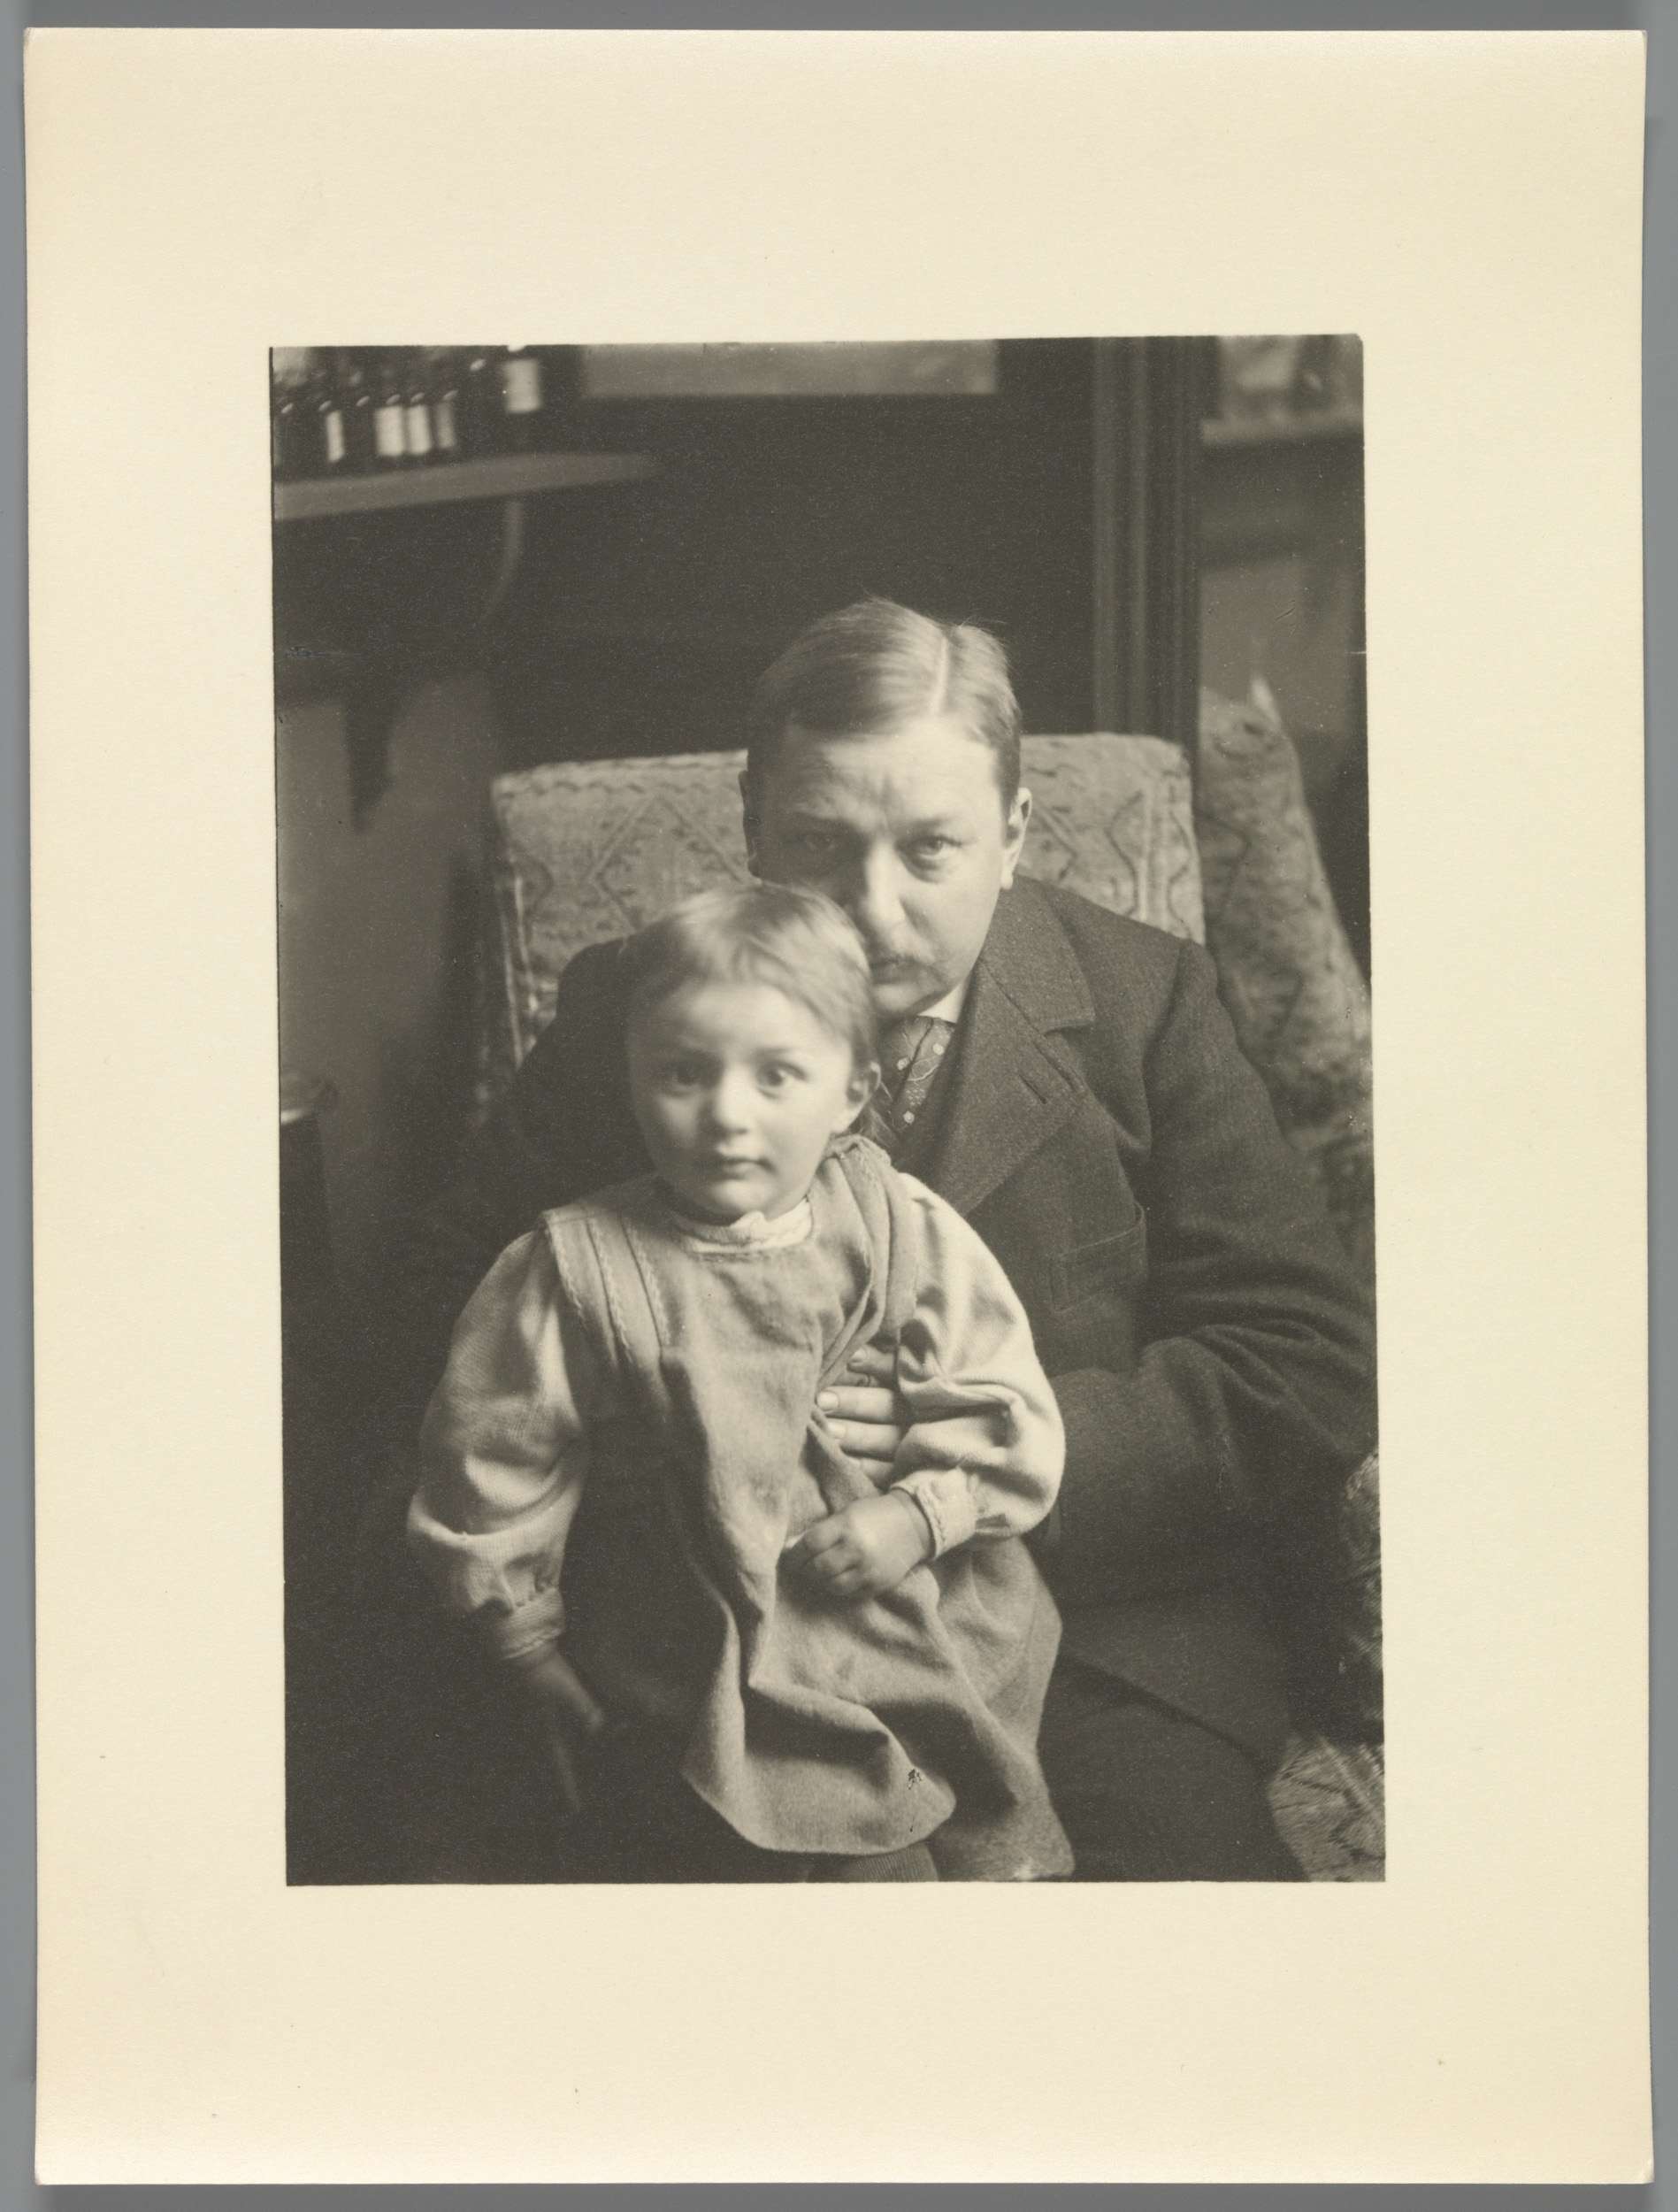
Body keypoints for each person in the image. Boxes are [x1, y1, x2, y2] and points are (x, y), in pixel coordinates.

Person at [395, 596, 1375, 1880]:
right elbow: (436, 1308)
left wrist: (981, 1461)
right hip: (716, 1637)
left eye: (930, 851)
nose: (871, 909)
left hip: (1092, 1638)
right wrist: (672, 1445)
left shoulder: (1144, 1003)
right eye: (817, 846)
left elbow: (1308, 1356)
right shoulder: (641, 1009)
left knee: (1173, 1915)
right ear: (752, 830)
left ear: (1011, 836)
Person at [407, 884, 1070, 1882]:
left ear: (849, 1091)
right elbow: (491, 1464)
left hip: (905, 1609)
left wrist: (920, 1514)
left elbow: (1000, 1398)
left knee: (958, 1839)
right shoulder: (575, 1267)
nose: (725, 1114)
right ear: (633, 1079)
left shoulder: (898, 1222)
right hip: (691, 1638)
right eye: (683, 1073)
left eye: (776, 1076)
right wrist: (525, 1645)